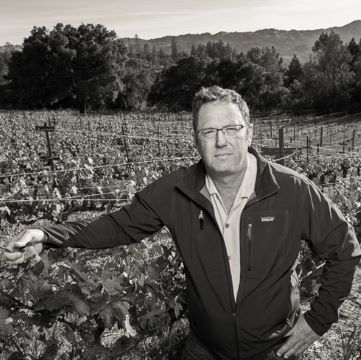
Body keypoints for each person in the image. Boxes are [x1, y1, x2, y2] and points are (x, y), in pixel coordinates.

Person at [5, 86, 361, 360]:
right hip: (204, 349)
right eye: (208, 132)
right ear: (196, 140)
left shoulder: (291, 190)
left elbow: (345, 248)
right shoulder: (175, 190)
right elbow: (117, 225)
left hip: (274, 349)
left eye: (231, 128)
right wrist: (47, 234)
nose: (221, 141)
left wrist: (317, 321)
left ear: (249, 133)